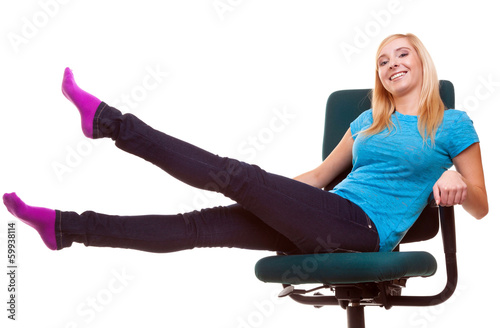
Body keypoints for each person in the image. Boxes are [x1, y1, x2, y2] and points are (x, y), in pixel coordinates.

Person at [3, 33, 488, 255]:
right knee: (200, 225)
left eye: (402, 54)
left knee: (237, 175)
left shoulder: (451, 124)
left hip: (364, 232)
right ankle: (66, 229)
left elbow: (483, 207)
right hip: (326, 212)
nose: (392, 64)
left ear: (422, 61)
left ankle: (110, 124)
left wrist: (451, 179)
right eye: (383, 61)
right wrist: (264, 197)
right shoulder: (367, 119)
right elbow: (320, 178)